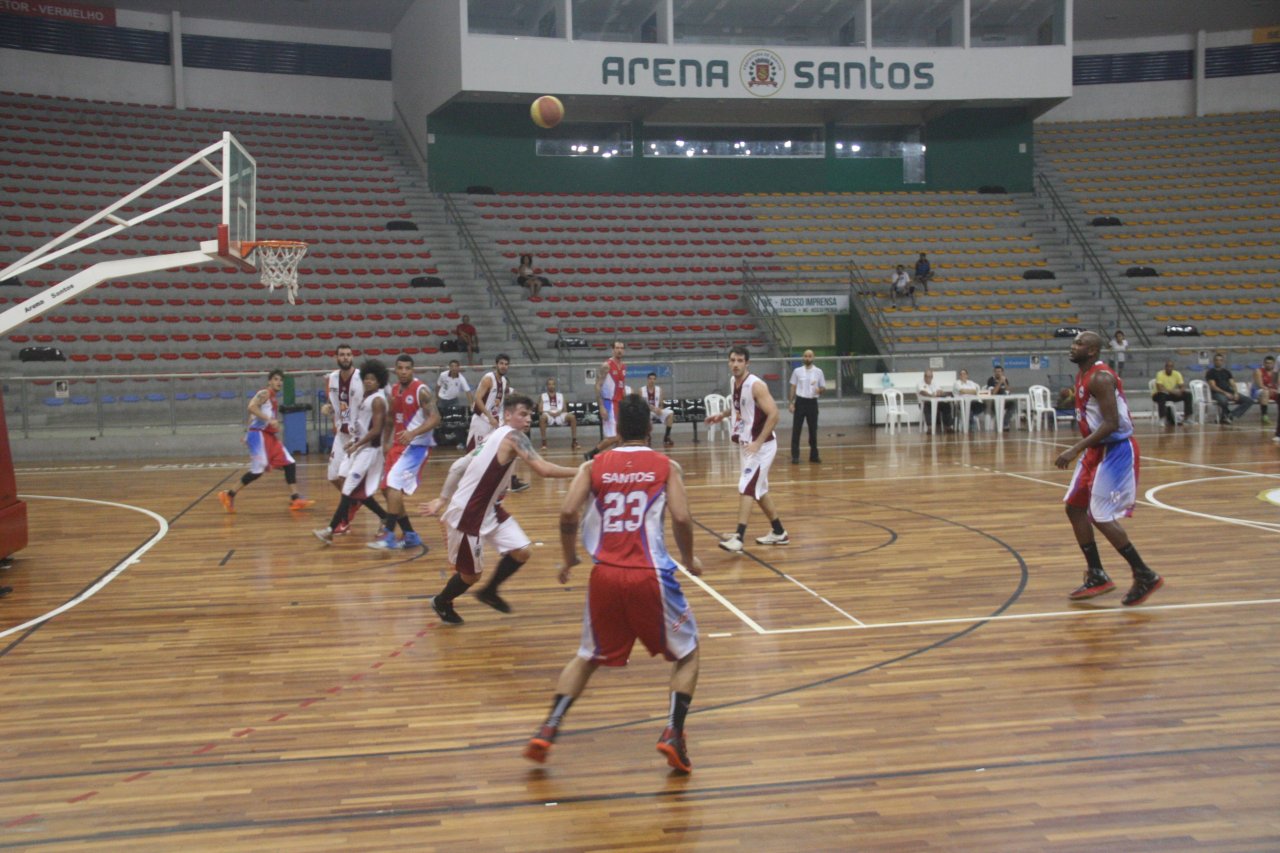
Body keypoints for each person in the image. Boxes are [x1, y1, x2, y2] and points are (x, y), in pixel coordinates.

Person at [522, 394, 702, 773]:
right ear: (650, 428)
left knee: (587, 656)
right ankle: (673, 731)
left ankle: (549, 726)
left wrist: (570, 556)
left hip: (604, 574)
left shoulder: (594, 465)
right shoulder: (666, 465)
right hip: (649, 575)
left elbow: (568, 512)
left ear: (616, 429)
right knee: (688, 653)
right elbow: (683, 519)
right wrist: (688, 559)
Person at [421, 394, 579, 624]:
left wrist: (442, 498)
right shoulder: (513, 437)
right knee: (471, 575)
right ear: (507, 415)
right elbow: (543, 470)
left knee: (522, 551)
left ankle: (489, 592)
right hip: (468, 514)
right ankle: (442, 601)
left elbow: (458, 466)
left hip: (490, 510)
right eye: (522, 414)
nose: (528, 420)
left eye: (530, 415)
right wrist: (583, 471)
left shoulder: (492, 435)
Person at [1054, 331, 1163, 606]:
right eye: (1074, 341)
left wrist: (1075, 448)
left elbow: (1112, 423)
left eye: (1079, 343)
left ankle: (1144, 573)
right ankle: (1097, 574)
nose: (1072, 346)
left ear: (1091, 351)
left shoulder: (1101, 377)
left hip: (1115, 450)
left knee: (1100, 515)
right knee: (1075, 507)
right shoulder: (1083, 374)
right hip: (1096, 450)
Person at [705, 346, 789, 551]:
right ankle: (779, 532)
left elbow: (775, 414)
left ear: (747, 363)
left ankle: (739, 537)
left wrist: (759, 442)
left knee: (746, 486)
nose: (735, 364)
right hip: (748, 445)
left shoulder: (756, 385)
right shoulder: (735, 382)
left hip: (762, 446)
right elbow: (739, 407)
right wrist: (722, 415)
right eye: (732, 360)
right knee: (759, 490)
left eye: (740, 360)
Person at [314, 359, 392, 544]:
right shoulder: (366, 397)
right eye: (366, 378)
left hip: (369, 451)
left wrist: (357, 444)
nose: (368, 381)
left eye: (373, 379)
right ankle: (384, 516)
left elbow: (376, 430)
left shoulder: (378, 400)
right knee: (343, 481)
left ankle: (330, 529)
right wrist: (353, 442)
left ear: (379, 381)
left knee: (348, 489)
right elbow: (362, 425)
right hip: (357, 446)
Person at [368, 355, 439, 551]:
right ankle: (410, 535)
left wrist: (413, 432)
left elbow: (435, 418)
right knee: (386, 489)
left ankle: (389, 534)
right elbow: (391, 419)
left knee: (393, 486)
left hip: (416, 447)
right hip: (398, 446)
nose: (404, 371)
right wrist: (385, 442)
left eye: (408, 368)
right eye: (400, 368)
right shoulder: (393, 391)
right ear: (395, 370)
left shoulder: (421, 391)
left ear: (412, 370)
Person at [219, 369, 314, 513]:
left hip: (267, 436)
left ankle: (295, 499)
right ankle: (229, 494)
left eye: (281, 380)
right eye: (276, 379)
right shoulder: (265, 393)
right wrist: (266, 421)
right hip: (258, 436)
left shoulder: (273, 397)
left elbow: (253, 416)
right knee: (258, 470)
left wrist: (250, 429)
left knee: (289, 463)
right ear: (269, 381)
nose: (279, 382)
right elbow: (251, 407)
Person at [319, 343, 370, 535]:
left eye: (349, 354)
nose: (346, 358)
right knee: (332, 477)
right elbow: (339, 403)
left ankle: (345, 517)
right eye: (342, 355)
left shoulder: (361, 378)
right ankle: (355, 501)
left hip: (357, 436)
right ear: (336, 357)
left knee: (344, 477)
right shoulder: (332, 378)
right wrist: (328, 407)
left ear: (352, 357)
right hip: (341, 434)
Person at [467, 352, 528, 492]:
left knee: (506, 448)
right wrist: (489, 416)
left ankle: (510, 481)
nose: (504, 366)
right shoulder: (488, 378)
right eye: (501, 363)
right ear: (496, 364)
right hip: (481, 420)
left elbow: (499, 405)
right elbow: (477, 398)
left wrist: (501, 420)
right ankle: (471, 482)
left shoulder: (504, 381)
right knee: (475, 453)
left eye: (506, 364)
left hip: (494, 421)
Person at [586, 340, 627, 461]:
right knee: (614, 436)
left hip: (619, 403)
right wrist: (601, 406)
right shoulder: (606, 365)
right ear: (613, 350)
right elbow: (597, 385)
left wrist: (626, 403)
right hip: (609, 403)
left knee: (620, 435)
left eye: (621, 348)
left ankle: (617, 459)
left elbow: (622, 386)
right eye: (617, 348)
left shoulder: (624, 366)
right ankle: (592, 453)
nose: (619, 350)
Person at [787, 349, 825, 463]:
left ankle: (814, 455)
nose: (807, 358)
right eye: (805, 356)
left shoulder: (819, 372)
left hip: (812, 403)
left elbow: (823, 387)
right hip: (800, 402)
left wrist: (820, 390)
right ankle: (795, 456)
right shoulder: (797, 371)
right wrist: (791, 403)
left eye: (810, 356)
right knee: (796, 430)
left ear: (813, 358)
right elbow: (793, 387)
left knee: (813, 430)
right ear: (803, 358)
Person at [1205, 352, 1253, 424]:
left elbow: (1233, 384)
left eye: (1220, 360)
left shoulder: (1227, 372)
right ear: (1214, 361)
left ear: (1223, 361)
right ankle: (1225, 416)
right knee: (1223, 401)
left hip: (1229, 391)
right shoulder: (1210, 372)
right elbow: (1213, 386)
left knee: (1249, 401)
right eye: (1217, 360)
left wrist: (1236, 393)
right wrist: (1225, 393)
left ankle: (1231, 415)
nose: (1218, 361)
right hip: (1217, 393)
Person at [539, 377, 580, 450]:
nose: (551, 386)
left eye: (553, 384)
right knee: (542, 418)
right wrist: (549, 412)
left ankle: (574, 441)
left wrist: (559, 412)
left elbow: (565, 409)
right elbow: (540, 410)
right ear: (547, 386)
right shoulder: (543, 396)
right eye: (549, 384)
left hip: (559, 414)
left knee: (572, 417)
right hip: (548, 414)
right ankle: (544, 442)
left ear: (555, 385)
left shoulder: (560, 395)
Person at [1152, 360, 1193, 427]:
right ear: (1165, 367)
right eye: (1167, 366)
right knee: (1162, 395)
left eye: (1171, 367)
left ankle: (1187, 418)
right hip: (1158, 395)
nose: (1169, 368)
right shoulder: (1160, 374)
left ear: (1173, 368)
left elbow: (1182, 386)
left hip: (1170, 394)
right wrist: (1172, 391)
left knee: (1188, 395)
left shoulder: (1177, 374)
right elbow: (1160, 388)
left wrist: (1180, 391)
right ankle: (1162, 418)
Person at [643, 372, 676, 448]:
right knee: (644, 415)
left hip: (657, 410)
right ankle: (648, 436)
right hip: (647, 411)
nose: (652, 380)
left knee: (670, 413)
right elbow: (642, 404)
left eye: (654, 379)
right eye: (650, 379)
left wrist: (660, 409)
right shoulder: (641, 390)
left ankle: (666, 436)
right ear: (647, 379)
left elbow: (661, 403)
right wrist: (653, 408)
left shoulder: (659, 390)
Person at [917, 368, 954, 433]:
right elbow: (922, 392)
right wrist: (931, 395)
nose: (929, 378)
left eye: (930, 376)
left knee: (946, 405)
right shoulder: (920, 383)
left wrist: (940, 392)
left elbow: (940, 390)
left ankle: (948, 426)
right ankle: (930, 428)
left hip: (937, 402)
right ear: (924, 376)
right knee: (927, 405)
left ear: (932, 377)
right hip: (924, 403)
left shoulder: (935, 383)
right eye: (927, 376)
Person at [986, 365, 1015, 430]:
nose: (998, 373)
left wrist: (1004, 382)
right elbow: (993, 393)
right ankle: (1001, 424)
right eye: (996, 371)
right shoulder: (991, 380)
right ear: (994, 372)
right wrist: (999, 382)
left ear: (1002, 372)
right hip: (994, 403)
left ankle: (1005, 423)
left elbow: (1009, 392)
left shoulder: (1005, 379)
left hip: (1004, 402)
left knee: (1013, 404)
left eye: (999, 371)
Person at [1251, 355, 1277, 427]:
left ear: (1274, 364)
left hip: (1271, 391)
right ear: (1264, 363)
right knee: (1265, 392)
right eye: (1266, 363)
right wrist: (1270, 390)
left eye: (1270, 363)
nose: (1268, 365)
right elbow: (1260, 385)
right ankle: (1264, 416)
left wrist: (1275, 390)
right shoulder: (1258, 371)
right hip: (1257, 391)